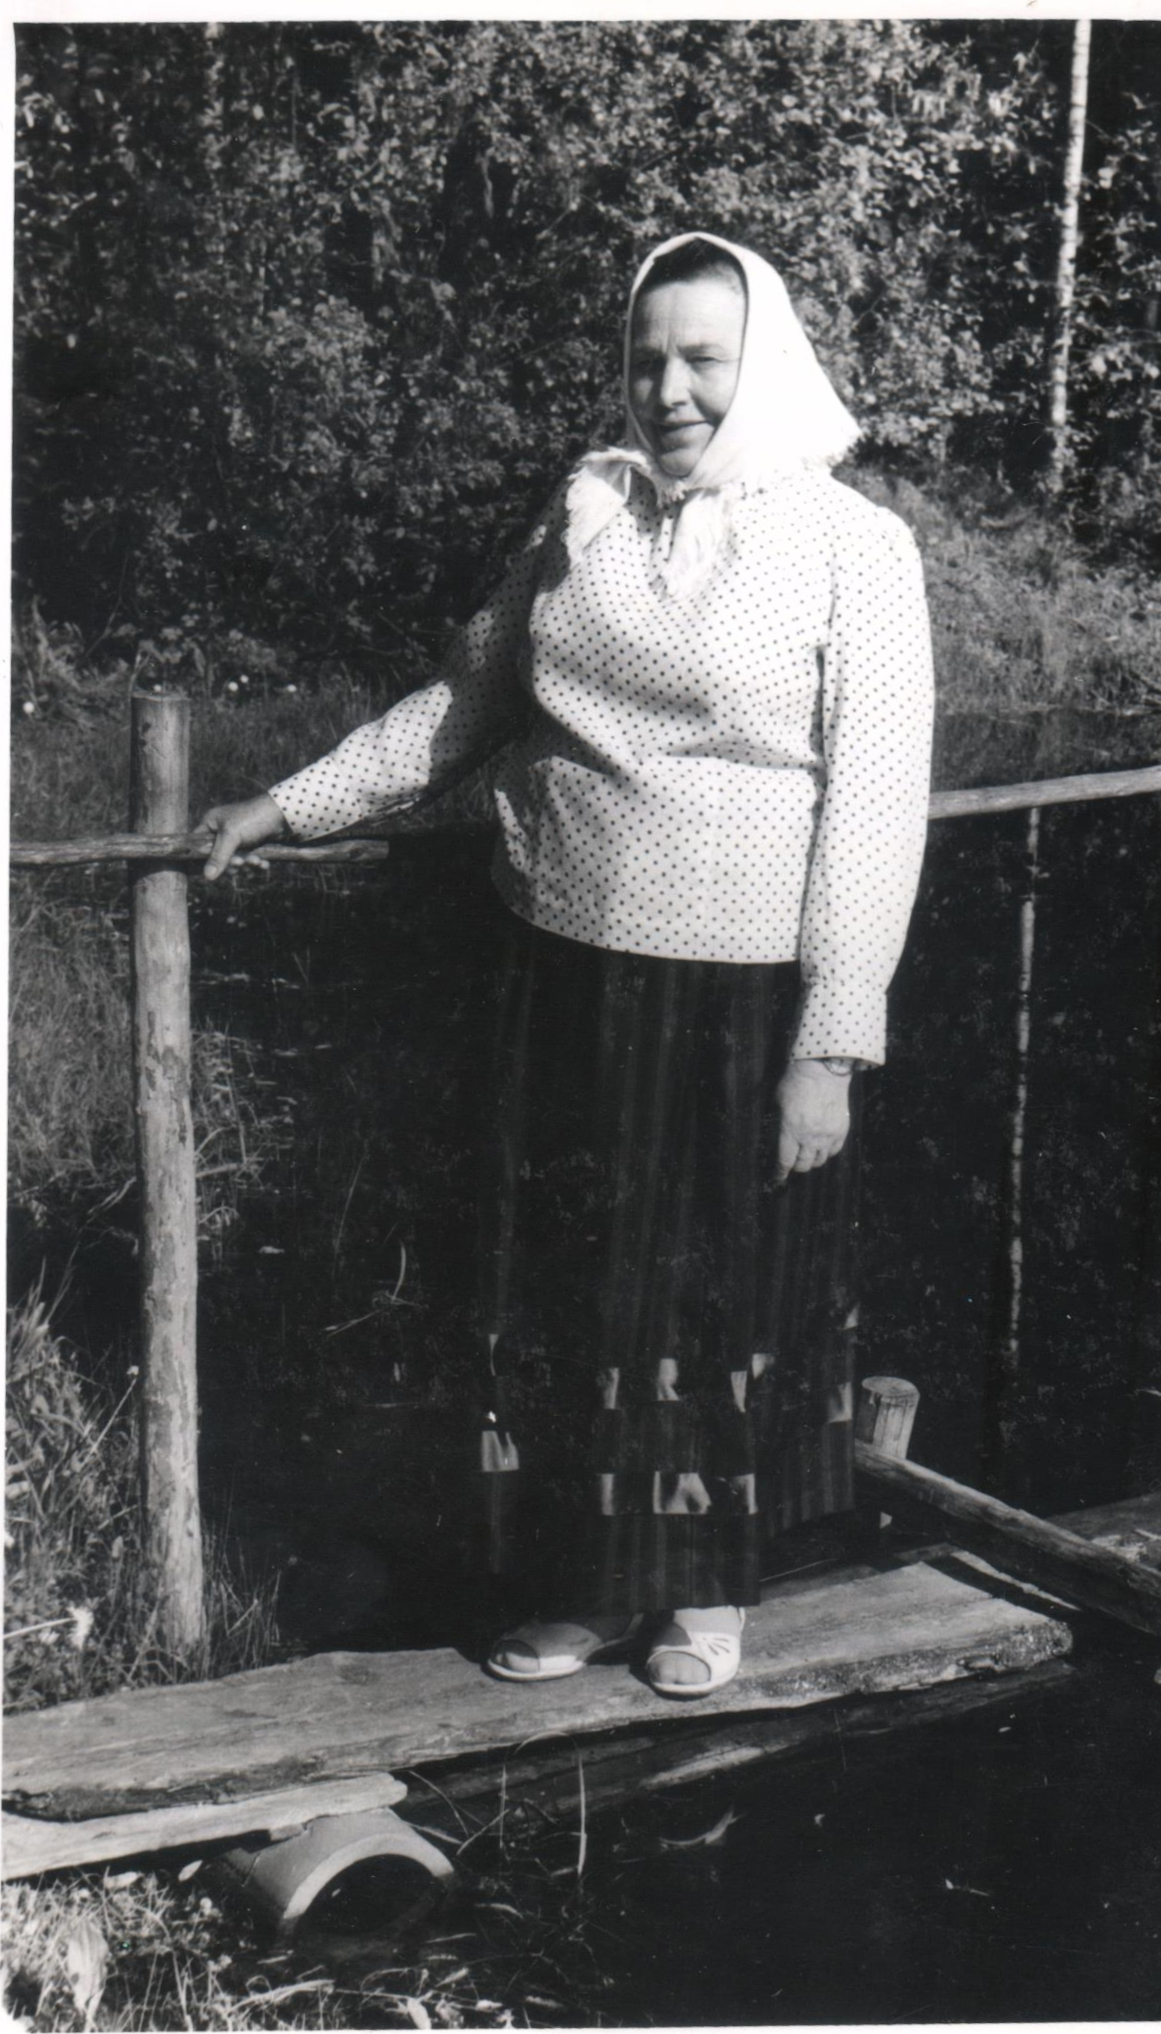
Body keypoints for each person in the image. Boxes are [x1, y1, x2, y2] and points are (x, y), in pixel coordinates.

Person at [202, 231, 935, 1699]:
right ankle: (581, 1586)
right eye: (646, 359)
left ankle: (701, 1590)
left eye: (703, 359)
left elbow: (874, 809)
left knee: (706, 1301)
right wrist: (289, 801)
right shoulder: (585, 511)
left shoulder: (852, 547)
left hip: (736, 998)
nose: (669, 389)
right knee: (563, 1291)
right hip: (557, 973)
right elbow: (462, 706)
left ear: (763, 366)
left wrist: (829, 1044)